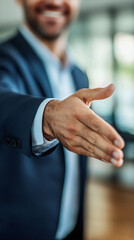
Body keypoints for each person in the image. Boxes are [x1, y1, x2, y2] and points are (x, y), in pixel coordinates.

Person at [0, 0, 124, 240]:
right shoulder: (4, 60)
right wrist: (48, 116)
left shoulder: (79, 74)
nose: (54, 1)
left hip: (70, 227)